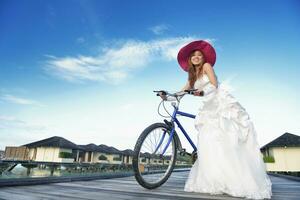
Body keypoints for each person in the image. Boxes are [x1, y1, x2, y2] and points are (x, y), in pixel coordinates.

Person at [159, 40, 272, 199]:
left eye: (200, 55)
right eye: (194, 55)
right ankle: (215, 179)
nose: (197, 57)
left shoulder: (206, 67)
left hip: (219, 105)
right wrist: (167, 95)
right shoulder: (191, 76)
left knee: (223, 140)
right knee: (208, 141)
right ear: (190, 59)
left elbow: (214, 84)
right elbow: (182, 91)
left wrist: (201, 92)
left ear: (203, 58)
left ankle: (232, 179)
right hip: (207, 108)